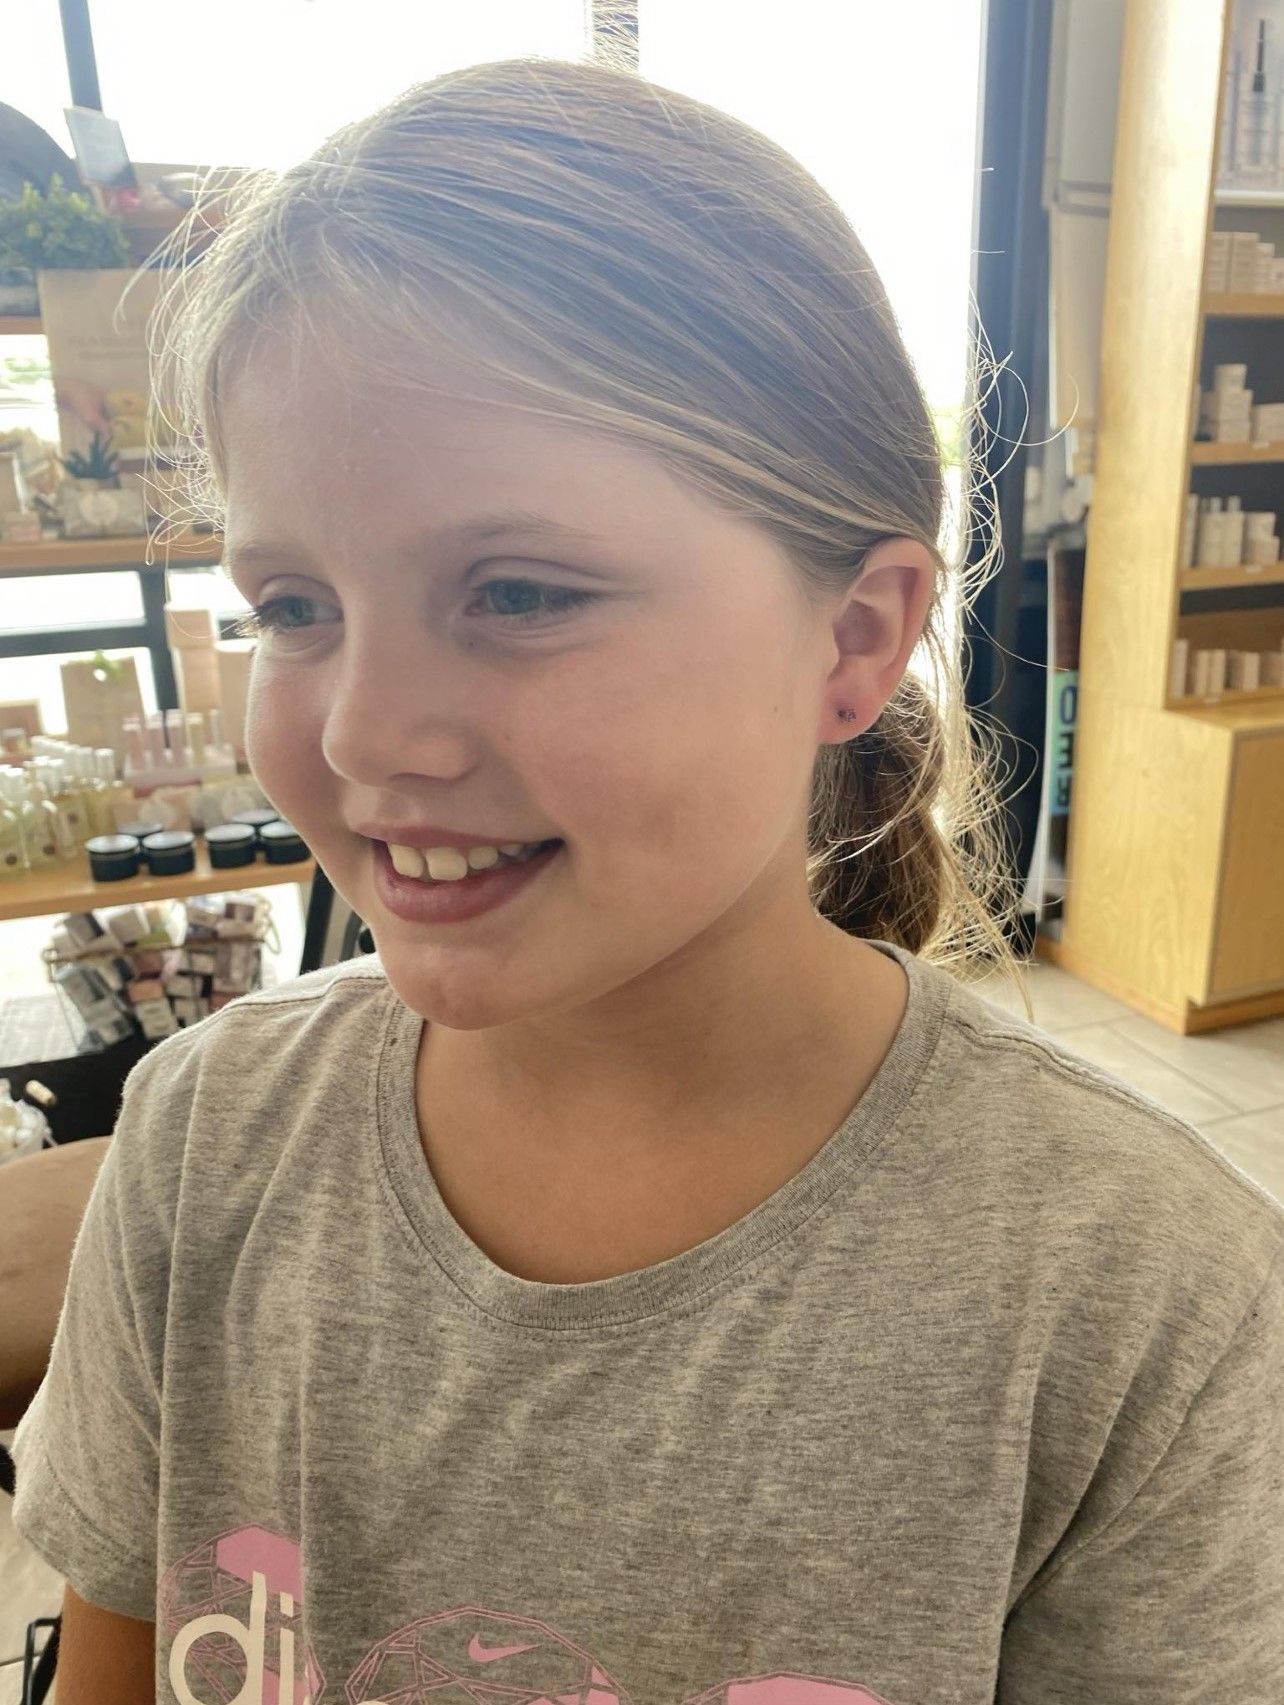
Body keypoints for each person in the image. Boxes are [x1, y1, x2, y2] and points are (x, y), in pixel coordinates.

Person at [11, 54, 1283, 1705]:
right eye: (295, 605)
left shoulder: (1132, 1296)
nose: (371, 729)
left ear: (852, 636)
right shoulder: (206, 1144)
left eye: (523, 591)